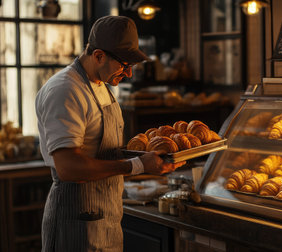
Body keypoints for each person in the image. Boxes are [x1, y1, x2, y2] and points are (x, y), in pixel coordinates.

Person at [35, 15, 185, 251]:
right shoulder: (66, 89)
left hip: (107, 221)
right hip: (76, 223)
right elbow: (68, 167)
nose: (129, 75)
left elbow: (103, 152)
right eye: (124, 66)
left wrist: (150, 159)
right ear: (98, 55)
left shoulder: (101, 85)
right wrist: (136, 165)